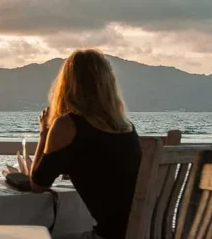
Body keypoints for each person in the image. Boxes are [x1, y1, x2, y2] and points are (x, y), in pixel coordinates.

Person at [29, 49, 142, 239]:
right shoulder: (127, 128)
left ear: (68, 85)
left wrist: (45, 133)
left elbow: (38, 184)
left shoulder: (68, 124)